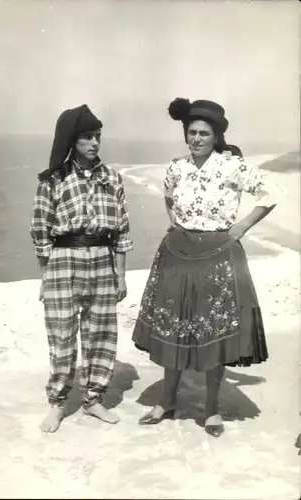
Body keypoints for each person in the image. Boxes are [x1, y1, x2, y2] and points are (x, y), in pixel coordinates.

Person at [132, 98, 281, 437]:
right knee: (173, 328)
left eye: (204, 133)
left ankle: (211, 410)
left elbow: (269, 193)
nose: (197, 138)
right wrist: (174, 222)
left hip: (218, 255)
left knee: (212, 332)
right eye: (192, 132)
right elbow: (168, 194)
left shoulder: (233, 167)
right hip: (177, 254)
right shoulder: (176, 167)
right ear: (186, 135)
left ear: (216, 137)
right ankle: (166, 401)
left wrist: (241, 228)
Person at [30, 104, 133, 432]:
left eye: (97, 137)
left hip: (103, 260)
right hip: (63, 262)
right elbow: (40, 228)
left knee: (101, 333)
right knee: (62, 334)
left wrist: (122, 274)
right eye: (87, 137)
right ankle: (58, 403)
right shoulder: (54, 180)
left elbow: (122, 231)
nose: (94, 143)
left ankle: (93, 400)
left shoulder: (112, 178)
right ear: (72, 141)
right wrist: (45, 277)